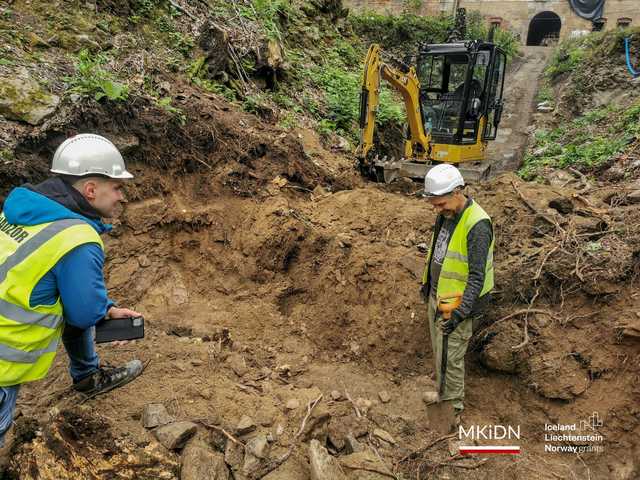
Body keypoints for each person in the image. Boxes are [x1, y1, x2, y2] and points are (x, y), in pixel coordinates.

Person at [0, 133, 144, 447]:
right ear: (91, 190)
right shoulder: (77, 239)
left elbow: (45, 277)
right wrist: (104, 314)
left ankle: (87, 376)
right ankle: (89, 377)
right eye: (117, 187)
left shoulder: (24, 209)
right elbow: (81, 312)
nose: (122, 196)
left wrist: (104, 308)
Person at [419, 164, 494, 416]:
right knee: (441, 353)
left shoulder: (478, 225)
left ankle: (452, 409)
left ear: (458, 191)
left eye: (441, 204)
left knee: (451, 358)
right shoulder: (446, 214)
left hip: (459, 304)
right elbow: (437, 252)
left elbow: (476, 277)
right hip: (438, 296)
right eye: (434, 205)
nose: (438, 210)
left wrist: (460, 313)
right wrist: (427, 285)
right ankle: (443, 395)